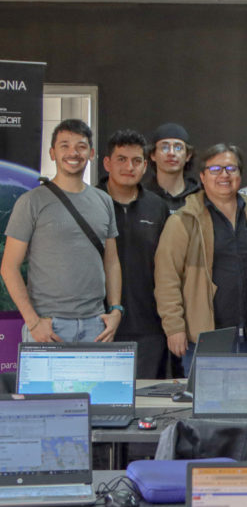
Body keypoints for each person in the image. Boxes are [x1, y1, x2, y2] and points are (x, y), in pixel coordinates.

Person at [155, 144, 247, 371]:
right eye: (215, 169)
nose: (224, 175)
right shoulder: (184, 221)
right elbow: (167, 278)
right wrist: (174, 327)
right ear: (202, 176)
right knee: (208, 405)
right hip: (206, 339)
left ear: (240, 175)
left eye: (231, 168)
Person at [1, 119, 122, 343]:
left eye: (81, 146)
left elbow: (112, 261)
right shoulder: (31, 202)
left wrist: (116, 310)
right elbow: (9, 267)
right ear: (52, 153)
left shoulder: (104, 201)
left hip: (96, 325)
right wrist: (33, 322)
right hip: (48, 326)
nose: (73, 153)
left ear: (91, 153)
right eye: (64, 145)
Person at [99, 129, 173, 377]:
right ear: (107, 163)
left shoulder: (158, 207)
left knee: (145, 403)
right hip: (98, 324)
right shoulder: (90, 203)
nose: (129, 167)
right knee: (100, 403)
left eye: (136, 161)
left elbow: (168, 267)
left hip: (149, 326)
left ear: (145, 166)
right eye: (121, 159)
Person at [144, 122, 200, 212]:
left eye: (178, 148)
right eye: (164, 147)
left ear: (188, 155)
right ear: (153, 155)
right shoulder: (142, 195)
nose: (171, 153)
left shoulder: (200, 197)